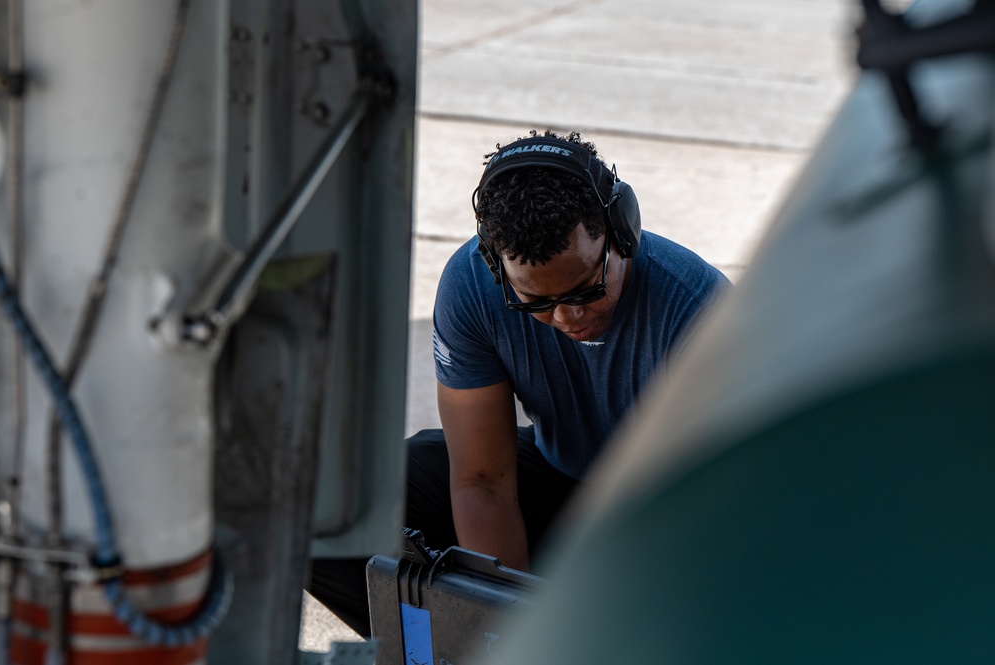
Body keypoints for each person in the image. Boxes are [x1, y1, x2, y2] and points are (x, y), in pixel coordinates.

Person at [308, 129, 730, 636]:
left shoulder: (699, 313)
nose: (568, 316)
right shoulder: (470, 286)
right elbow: (483, 481)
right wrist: (497, 627)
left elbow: (716, 515)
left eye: (586, 289)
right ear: (496, 268)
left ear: (622, 233)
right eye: (536, 302)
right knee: (328, 512)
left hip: (663, 510)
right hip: (558, 477)